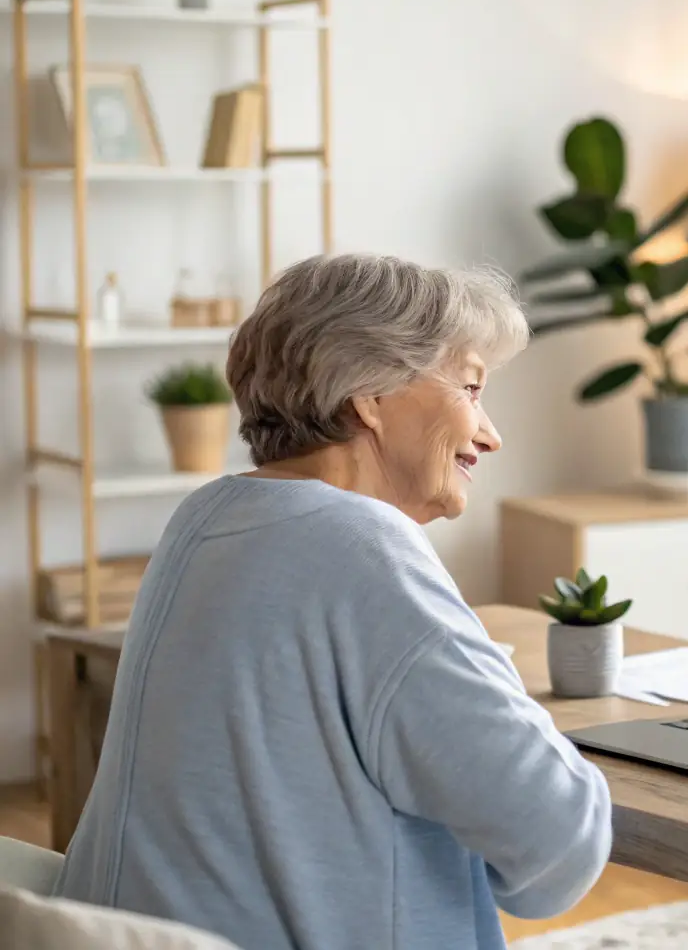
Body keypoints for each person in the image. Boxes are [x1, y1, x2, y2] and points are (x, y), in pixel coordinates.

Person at [54, 254, 612, 950]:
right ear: (369, 395)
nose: (490, 433)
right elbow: (557, 846)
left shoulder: (206, 518)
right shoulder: (364, 549)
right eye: (470, 387)